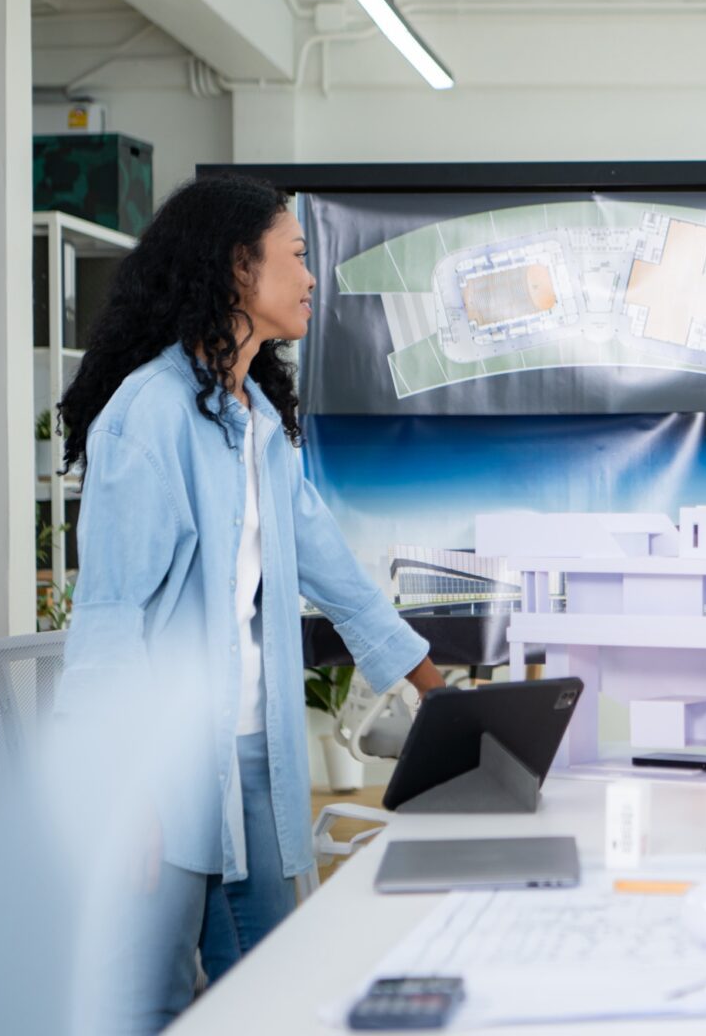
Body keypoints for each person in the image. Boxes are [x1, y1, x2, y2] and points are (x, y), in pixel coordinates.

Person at [55, 173, 446, 1031]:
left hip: (252, 755)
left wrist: (436, 686)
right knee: (145, 1005)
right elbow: (112, 616)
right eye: (297, 257)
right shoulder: (150, 415)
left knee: (269, 991)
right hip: (160, 762)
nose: (312, 278)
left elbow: (329, 565)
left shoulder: (255, 417)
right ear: (238, 269)